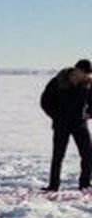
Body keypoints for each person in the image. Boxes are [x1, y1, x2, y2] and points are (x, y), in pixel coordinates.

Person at [40, 59, 92, 191]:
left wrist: (89, 113)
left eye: (88, 74)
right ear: (77, 70)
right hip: (61, 124)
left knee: (87, 154)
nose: (87, 76)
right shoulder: (59, 81)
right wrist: (57, 116)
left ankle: (85, 184)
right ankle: (53, 185)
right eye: (85, 73)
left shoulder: (88, 84)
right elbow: (45, 101)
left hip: (80, 124)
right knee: (58, 156)